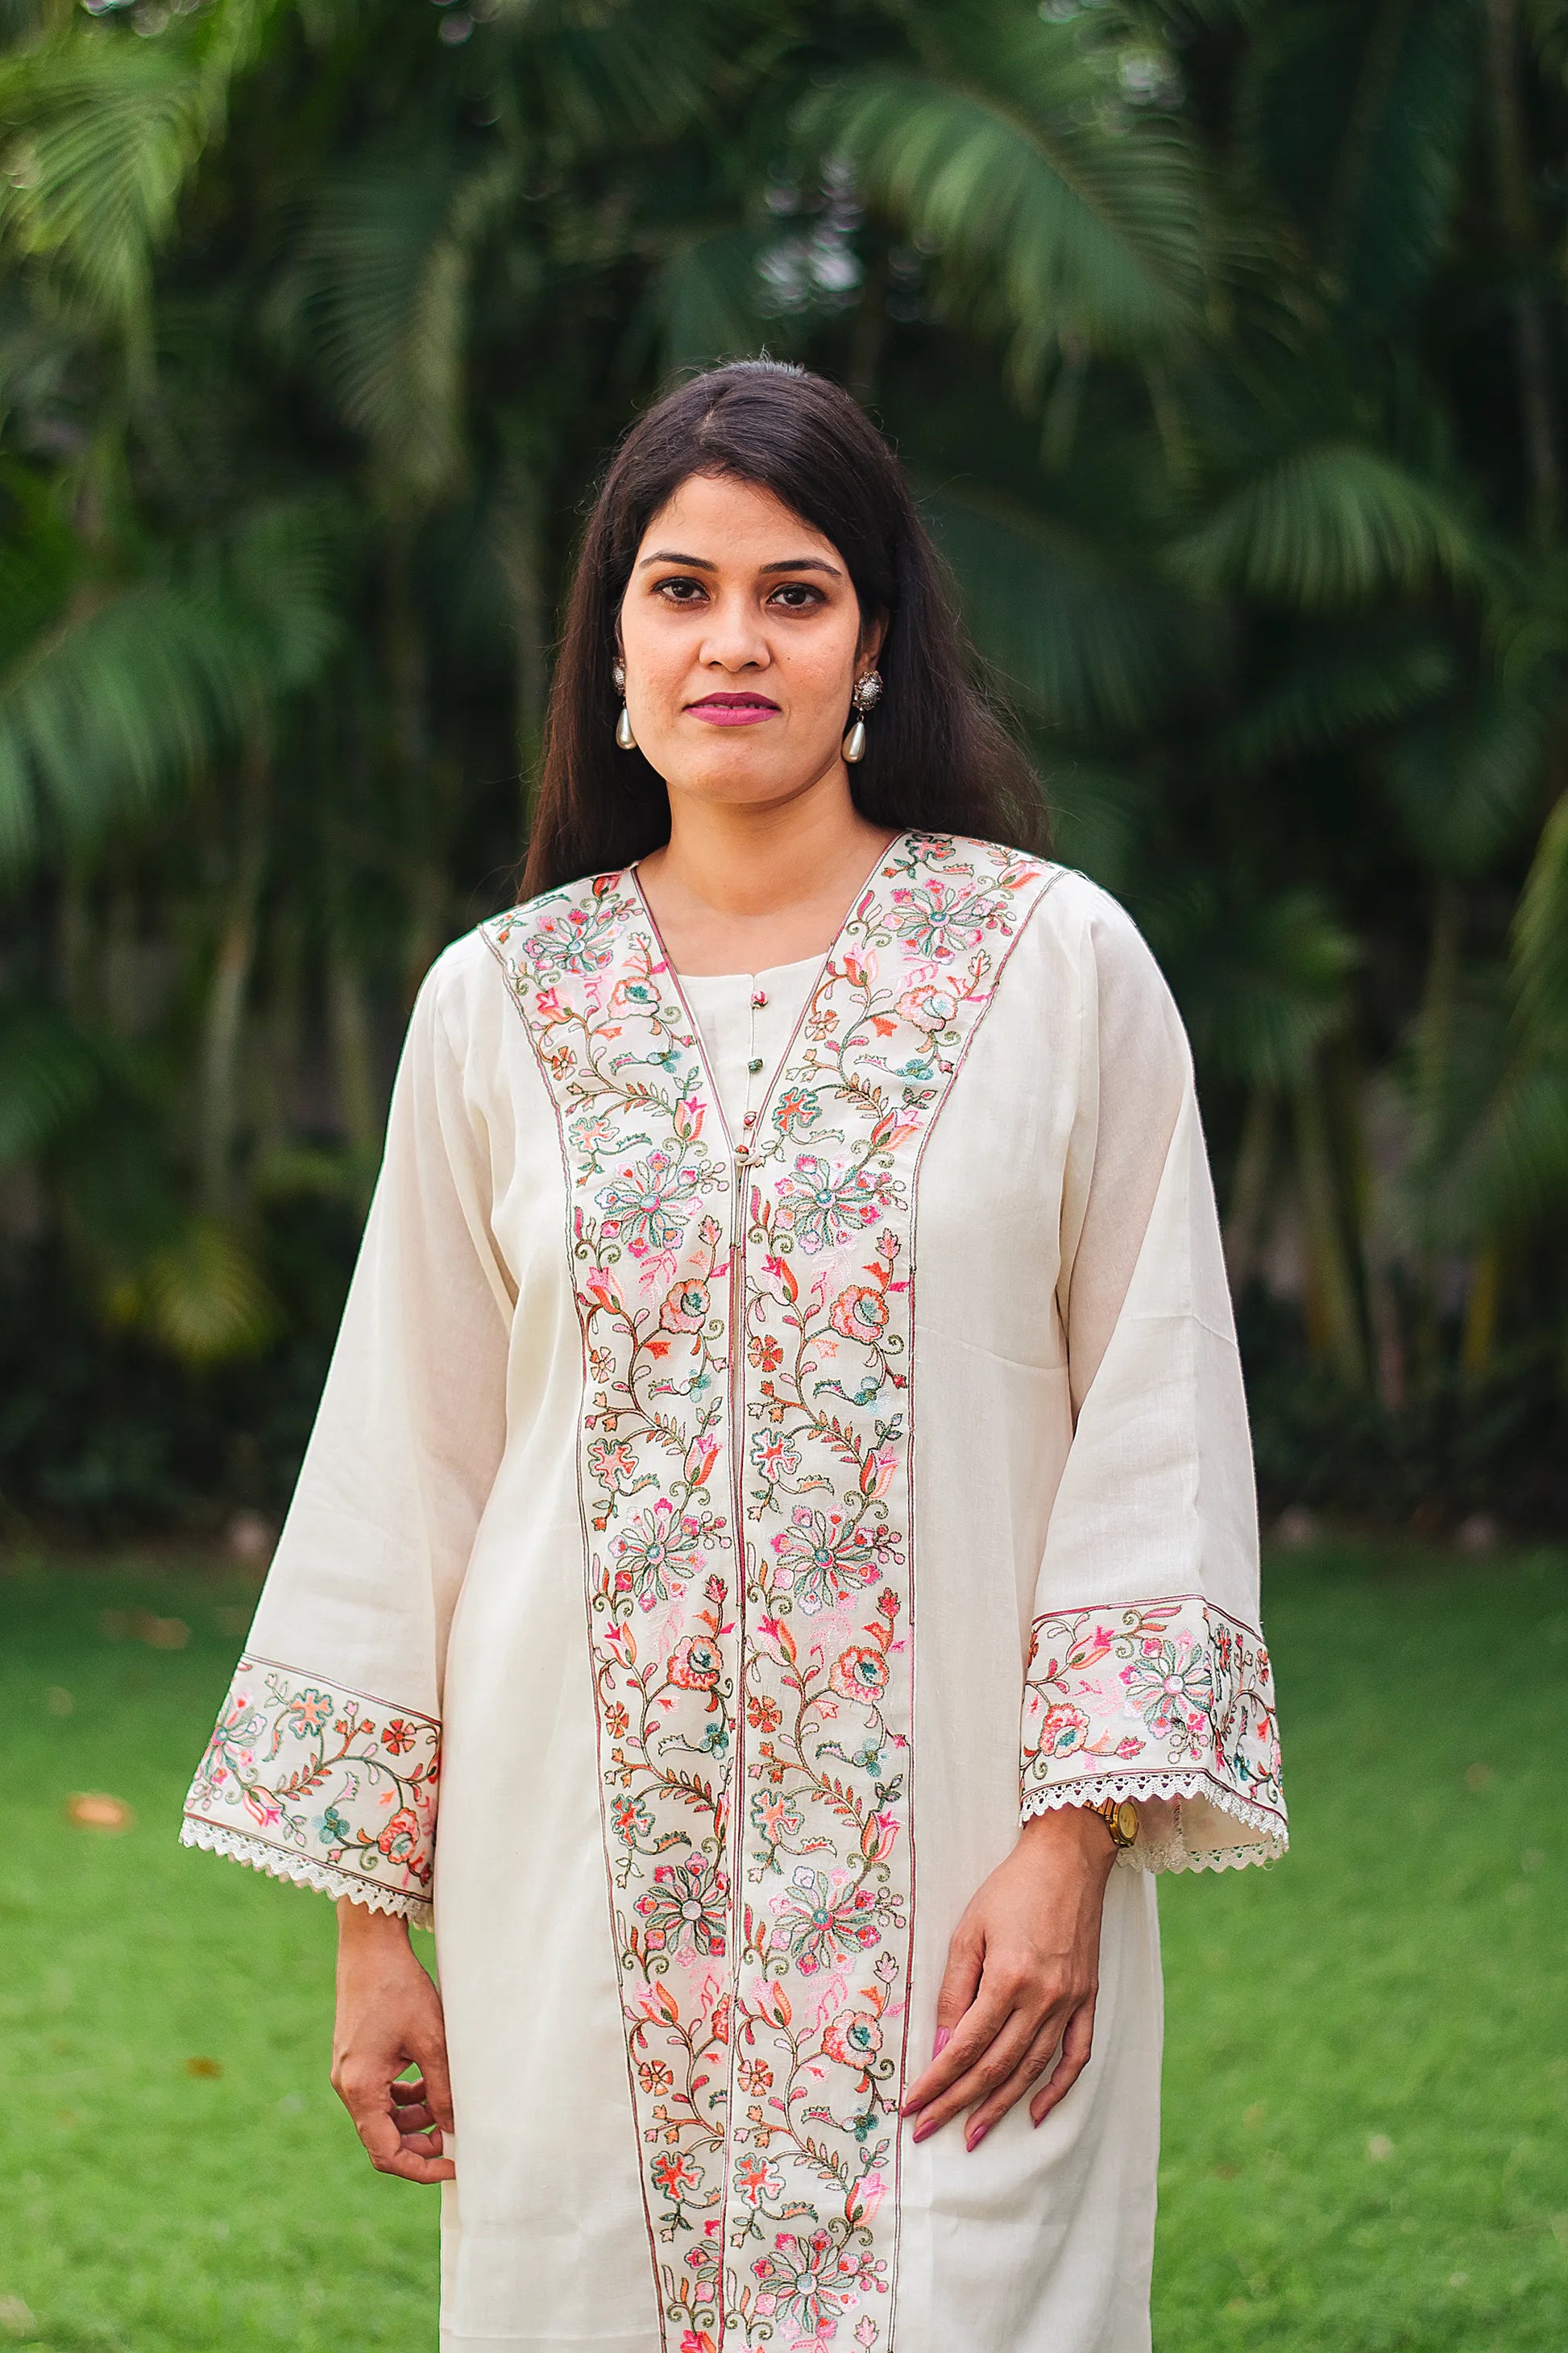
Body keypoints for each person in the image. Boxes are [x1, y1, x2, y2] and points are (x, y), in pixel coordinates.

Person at [182, 359, 1286, 2353]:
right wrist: (373, 1934)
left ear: (875, 641)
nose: (732, 640)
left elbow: (1158, 1425)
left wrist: (1068, 1850)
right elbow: (403, 1467)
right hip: (572, 1908)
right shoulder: (501, 1007)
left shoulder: (1052, 968)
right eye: (680, 587)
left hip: (965, 1908)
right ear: (612, 638)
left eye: (795, 592)